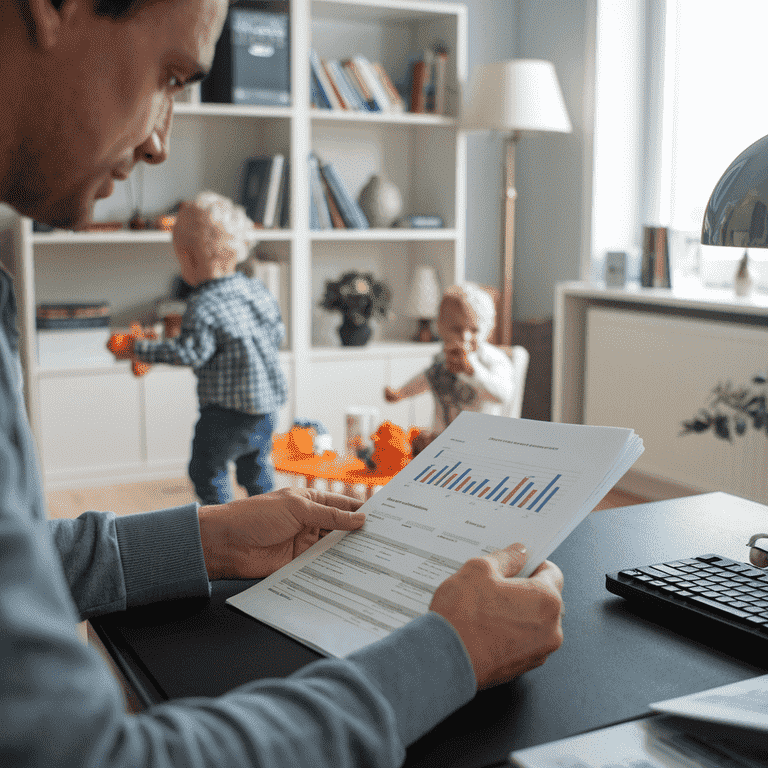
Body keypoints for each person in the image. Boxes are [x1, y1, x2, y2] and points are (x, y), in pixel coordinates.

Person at [0, 1, 565, 766]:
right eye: (169, 76)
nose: (162, 142)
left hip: (230, 411)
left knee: (222, 479)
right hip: (256, 408)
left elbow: (17, 564)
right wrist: (448, 654)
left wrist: (210, 538)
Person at [110, 191, 287, 504]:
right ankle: (271, 520)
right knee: (255, 469)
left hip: (225, 414)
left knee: (207, 470)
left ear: (187, 257)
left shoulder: (202, 304)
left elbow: (190, 353)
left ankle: (224, 527)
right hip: (266, 408)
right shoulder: (256, 290)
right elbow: (277, 334)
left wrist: (140, 349)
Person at [385, 282, 515, 452]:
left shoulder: (491, 359)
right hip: (441, 443)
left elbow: (503, 394)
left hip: (481, 447)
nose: (465, 336)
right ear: (441, 328)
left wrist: (472, 370)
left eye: (474, 330)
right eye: (456, 328)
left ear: (487, 329)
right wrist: (401, 392)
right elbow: (426, 378)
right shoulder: (442, 358)